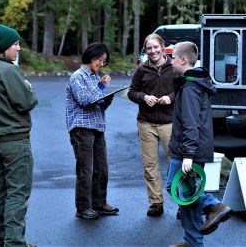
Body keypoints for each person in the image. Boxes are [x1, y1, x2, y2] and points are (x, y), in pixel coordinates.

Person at [166, 41, 233, 247]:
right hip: (193, 149)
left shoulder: (190, 87)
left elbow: (191, 123)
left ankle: (214, 205)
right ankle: (193, 242)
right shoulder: (196, 82)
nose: (170, 61)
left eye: (173, 57)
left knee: (175, 187)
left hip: (189, 151)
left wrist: (188, 155)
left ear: (183, 59)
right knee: (187, 199)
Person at [0, 24, 38, 247]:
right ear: (3, 47)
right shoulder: (8, 70)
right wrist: (28, 87)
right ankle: (14, 243)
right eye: (15, 44)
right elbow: (27, 102)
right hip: (14, 142)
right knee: (17, 194)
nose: (19, 48)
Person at [65, 42, 119, 220]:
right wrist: (102, 87)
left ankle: (99, 203)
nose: (101, 64)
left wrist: (108, 98)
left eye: (104, 61)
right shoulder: (77, 76)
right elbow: (85, 100)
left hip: (97, 126)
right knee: (85, 170)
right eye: (99, 59)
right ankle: (83, 207)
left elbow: (99, 106)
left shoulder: (97, 76)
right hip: (81, 129)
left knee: (102, 169)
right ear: (90, 56)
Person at [128, 33, 175, 217]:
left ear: (163, 47)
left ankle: (183, 203)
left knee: (176, 164)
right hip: (146, 123)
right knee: (150, 165)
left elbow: (182, 91)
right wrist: (143, 97)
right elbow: (131, 92)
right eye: (149, 48)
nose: (153, 51)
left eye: (156, 47)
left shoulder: (174, 67)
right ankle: (156, 202)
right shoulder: (142, 70)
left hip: (169, 123)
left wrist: (170, 98)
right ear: (146, 51)